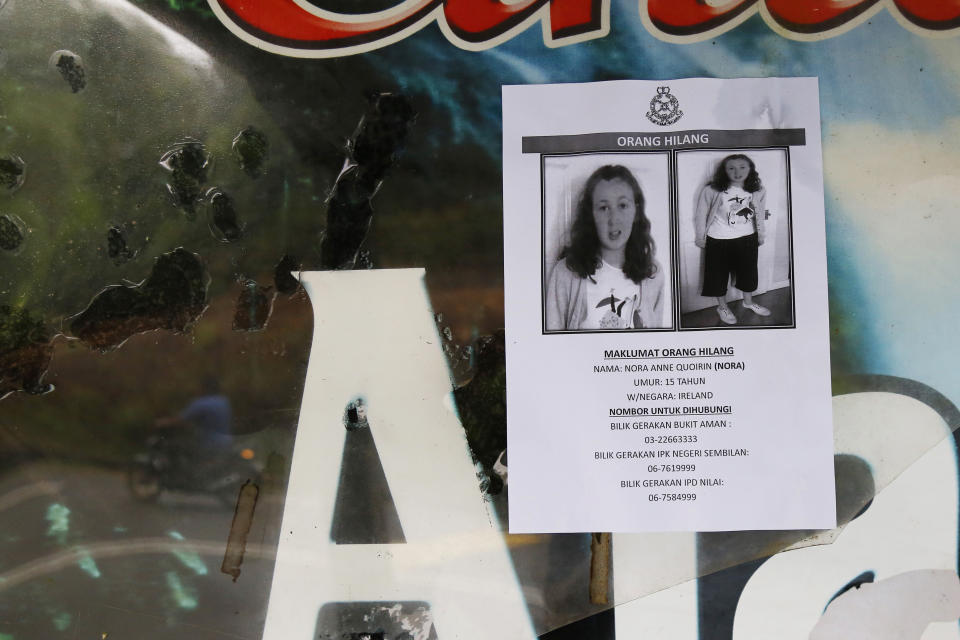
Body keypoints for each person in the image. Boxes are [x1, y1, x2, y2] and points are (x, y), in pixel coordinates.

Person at [546, 164, 665, 330]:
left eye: (622, 205)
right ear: (591, 215)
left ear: (636, 212)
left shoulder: (653, 273)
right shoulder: (564, 273)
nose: (613, 219)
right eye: (603, 208)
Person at [694, 154, 770, 325]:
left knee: (749, 273)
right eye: (731, 168)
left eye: (742, 167)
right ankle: (722, 307)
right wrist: (700, 238)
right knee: (717, 276)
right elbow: (700, 215)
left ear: (750, 169)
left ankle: (748, 302)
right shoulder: (712, 190)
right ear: (724, 170)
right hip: (718, 239)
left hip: (748, 238)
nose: (737, 172)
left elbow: (761, 213)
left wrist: (761, 235)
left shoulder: (758, 190)